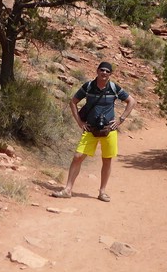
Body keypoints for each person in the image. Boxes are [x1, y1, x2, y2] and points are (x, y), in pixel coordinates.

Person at [52, 61, 136, 202]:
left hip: (109, 130)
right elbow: (73, 102)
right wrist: (79, 122)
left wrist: (121, 119)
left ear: (110, 74)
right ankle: (68, 189)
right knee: (78, 156)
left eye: (107, 71)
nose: (104, 73)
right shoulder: (88, 86)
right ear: (97, 71)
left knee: (107, 160)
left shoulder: (114, 88)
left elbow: (131, 101)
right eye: (102, 70)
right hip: (90, 129)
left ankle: (102, 192)